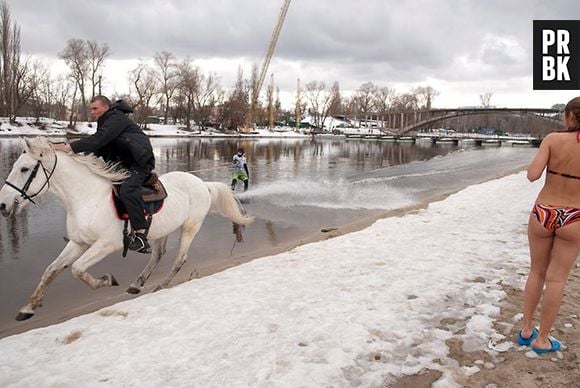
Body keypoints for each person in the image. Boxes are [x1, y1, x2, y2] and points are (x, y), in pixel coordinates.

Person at [51, 96, 155, 253]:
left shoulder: (116, 118)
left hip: (139, 162)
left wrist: (69, 147)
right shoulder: (106, 121)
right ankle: (96, 232)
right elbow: (99, 147)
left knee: (127, 189)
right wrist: (76, 158)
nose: (92, 112)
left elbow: (99, 140)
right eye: (91, 109)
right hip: (123, 163)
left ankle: (141, 235)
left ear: (106, 107)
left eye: (95, 109)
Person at [519, 96, 580, 353]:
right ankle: (542, 339)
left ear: (568, 116)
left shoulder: (553, 139)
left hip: (544, 212)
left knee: (537, 272)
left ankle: (525, 329)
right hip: (575, 217)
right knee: (556, 280)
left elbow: (532, 175)